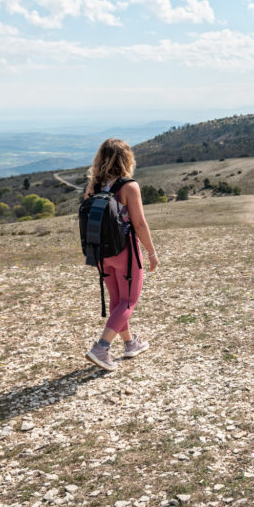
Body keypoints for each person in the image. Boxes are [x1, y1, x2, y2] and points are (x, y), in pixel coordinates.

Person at [83, 138, 159, 371]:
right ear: (126, 159)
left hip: (101, 253)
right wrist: (151, 252)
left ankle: (130, 344)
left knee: (118, 301)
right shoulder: (129, 187)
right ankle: (101, 348)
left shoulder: (92, 186)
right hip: (126, 251)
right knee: (129, 300)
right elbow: (139, 223)